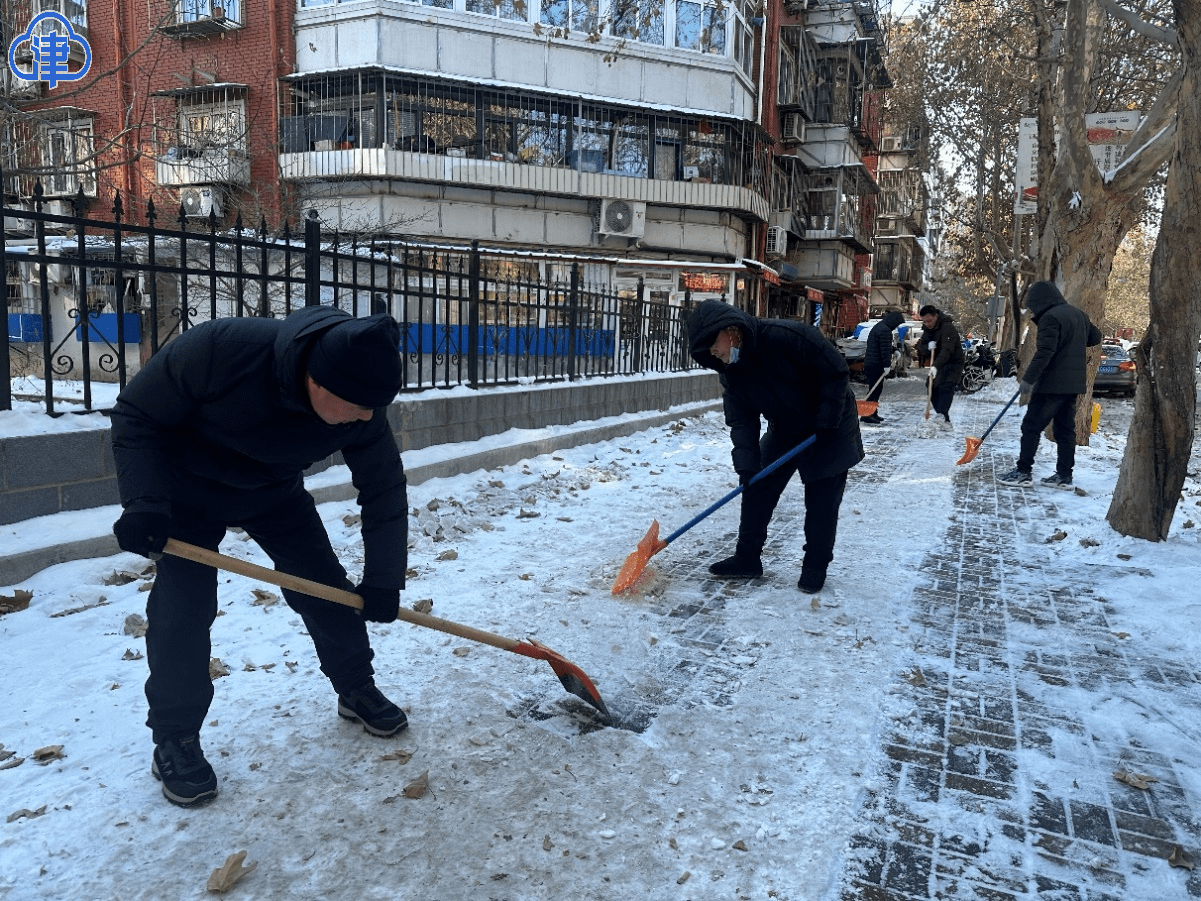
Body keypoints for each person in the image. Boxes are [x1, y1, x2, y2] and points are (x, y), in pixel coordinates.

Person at [109, 305, 409, 807]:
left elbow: (384, 487)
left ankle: (356, 687)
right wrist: (144, 504)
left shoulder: (362, 403)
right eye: (358, 407)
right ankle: (175, 738)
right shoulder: (220, 350)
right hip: (186, 493)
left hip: (273, 491)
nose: (365, 419)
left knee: (326, 588)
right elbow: (137, 415)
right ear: (319, 380)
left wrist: (383, 580)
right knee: (184, 608)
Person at [686, 299, 865, 594]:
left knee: (821, 500)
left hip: (829, 425)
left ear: (729, 331)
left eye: (713, 344)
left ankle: (814, 567)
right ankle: (747, 559)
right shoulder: (731, 371)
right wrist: (746, 464)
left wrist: (826, 419)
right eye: (707, 351)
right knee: (757, 485)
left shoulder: (786, 336)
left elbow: (835, 371)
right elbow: (742, 421)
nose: (714, 353)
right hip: (786, 427)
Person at [997, 281, 1103, 489]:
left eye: (1033, 304)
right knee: (1065, 431)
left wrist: (1028, 379)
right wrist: (1072, 343)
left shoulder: (1050, 318)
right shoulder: (1079, 314)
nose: (1033, 309)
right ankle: (1064, 476)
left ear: (1041, 300)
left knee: (1031, 426)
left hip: (1051, 385)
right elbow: (1095, 337)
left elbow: (1045, 352)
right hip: (1073, 385)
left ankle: (1023, 472)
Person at [919, 304, 964, 431]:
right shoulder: (928, 329)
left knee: (946, 386)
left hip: (953, 362)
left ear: (936, 316)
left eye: (929, 320)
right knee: (931, 386)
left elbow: (947, 350)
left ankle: (942, 414)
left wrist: (935, 366)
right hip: (938, 362)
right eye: (924, 321)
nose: (927, 324)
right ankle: (945, 420)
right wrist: (927, 347)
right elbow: (921, 347)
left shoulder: (947, 327)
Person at [860, 309, 905, 425]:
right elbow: (884, 351)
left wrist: (894, 350)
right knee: (874, 390)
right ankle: (866, 415)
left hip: (872, 363)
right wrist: (886, 365)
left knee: (875, 389)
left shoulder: (880, 327)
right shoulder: (885, 330)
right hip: (876, 364)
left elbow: (884, 346)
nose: (896, 326)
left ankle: (872, 413)